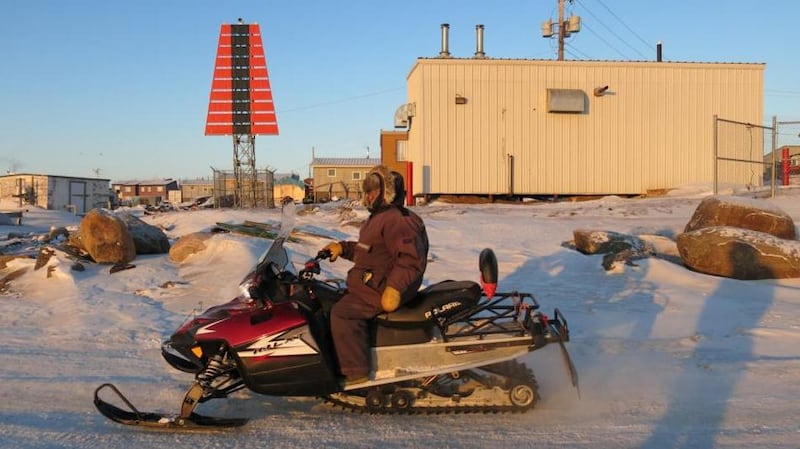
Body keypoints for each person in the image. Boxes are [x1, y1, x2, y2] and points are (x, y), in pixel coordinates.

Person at [322, 165, 429, 386]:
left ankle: (356, 373)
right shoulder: (379, 218)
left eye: (372, 191)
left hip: (383, 289)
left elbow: (410, 259)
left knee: (342, 313)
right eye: (367, 190)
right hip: (372, 284)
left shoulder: (397, 219)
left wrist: (394, 288)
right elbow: (370, 253)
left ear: (385, 193)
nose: (368, 196)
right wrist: (343, 248)